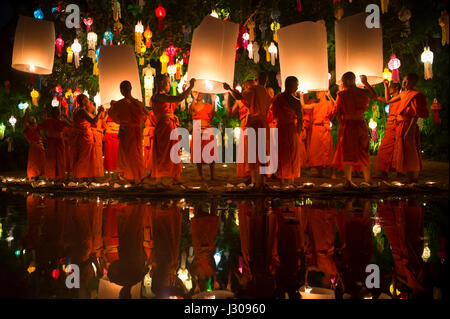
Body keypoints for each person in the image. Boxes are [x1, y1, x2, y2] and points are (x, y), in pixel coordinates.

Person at [224, 72, 273, 190]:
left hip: (255, 124)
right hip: (263, 124)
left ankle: (256, 182)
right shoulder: (267, 93)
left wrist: (230, 89)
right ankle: (262, 181)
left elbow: (241, 97)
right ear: (266, 82)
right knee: (263, 153)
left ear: (256, 80)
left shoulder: (254, 90)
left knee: (254, 154)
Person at [332, 73, 378, 188]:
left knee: (348, 151)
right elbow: (374, 95)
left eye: (343, 81)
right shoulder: (362, 92)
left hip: (348, 125)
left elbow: (337, 111)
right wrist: (365, 83)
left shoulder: (342, 94)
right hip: (360, 123)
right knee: (363, 150)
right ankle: (367, 180)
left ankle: (348, 180)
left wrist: (341, 122)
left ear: (346, 81)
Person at [151, 75, 195, 187]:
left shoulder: (165, 97)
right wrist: (190, 88)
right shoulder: (158, 97)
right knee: (162, 152)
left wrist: (185, 91)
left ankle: (175, 176)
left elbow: (176, 102)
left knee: (174, 151)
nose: (169, 85)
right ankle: (159, 179)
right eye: (167, 82)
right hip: (163, 127)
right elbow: (176, 99)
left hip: (170, 126)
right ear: (161, 83)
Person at [385, 73, 429, 183]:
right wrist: (386, 86)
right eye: (403, 80)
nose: (404, 83)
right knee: (403, 149)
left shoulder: (415, 95)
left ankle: (413, 176)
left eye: (407, 81)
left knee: (410, 150)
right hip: (400, 125)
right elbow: (388, 101)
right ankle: (409, 176)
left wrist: (409, 130)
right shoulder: (403, 94)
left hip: (408, 124)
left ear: (413, 82)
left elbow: (415, 114)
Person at [108, 81, 149, 184]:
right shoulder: (138, 103)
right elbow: (146, 114)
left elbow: (111, 114)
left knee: (129, 154)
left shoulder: (120, 104)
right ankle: (139, 175)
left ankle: (133, 177)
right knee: (136, 153)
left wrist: (122, 121)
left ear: (122, 91)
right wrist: (139, 121)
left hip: (126, 130)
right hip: (136, 130)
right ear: (131, 88)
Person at [271, 76, 303, 185]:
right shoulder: (296, 101)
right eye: (297, 85)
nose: (297, 87)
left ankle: (283, 181)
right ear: (290, 85)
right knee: (289, 155)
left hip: (281, 129)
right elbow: (300, 121)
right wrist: (297, 133)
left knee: (281, 154)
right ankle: (289, 181)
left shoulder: (277, 98)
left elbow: (274, 115)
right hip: (290, 129)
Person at [225, 80, 255, 183]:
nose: (250, 90)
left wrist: (230, 89)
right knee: (246, 151)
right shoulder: (239, 100)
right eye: (248, 87)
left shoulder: (253, 98)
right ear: (245, 88)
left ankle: (254, 174)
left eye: (252, 88)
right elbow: (230, 113)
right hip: (244, 126)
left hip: (254, 126)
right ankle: (248, 173)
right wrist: (226, 99)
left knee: (253, 151)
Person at [72, 94, 105, 180]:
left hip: (82, 136)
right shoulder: (82, 111)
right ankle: (82, 176)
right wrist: (99, 112)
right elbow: (93, 121)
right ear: (83, 101)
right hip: (85, 136)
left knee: (86, 156)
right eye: (87, 99)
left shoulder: (77, 110)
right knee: (85, 157)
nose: (89, 101)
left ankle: (85, 175)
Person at [374, 80, 402, 180]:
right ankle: (384, 171)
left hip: (397, 125)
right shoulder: (394, 99)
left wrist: (385, 86)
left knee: (397, 148)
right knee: (385, 148)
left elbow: (386, 100)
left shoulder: (401, 97)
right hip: (391, 125)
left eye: (390, 87)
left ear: (396, 89)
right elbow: (386, 100)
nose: (389, 89)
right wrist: (374, 92)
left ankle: (399, 170)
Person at [307, 91, 337, 178]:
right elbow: (304, 106)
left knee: (327, 149)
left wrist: (330, 95)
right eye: (316, 92)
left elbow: (335, 105)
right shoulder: (315, 104)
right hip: (316, 128)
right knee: (317, 150)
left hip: (324, 128)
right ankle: (320, 172)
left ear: (324, 93)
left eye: (319, 92)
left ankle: (332, 173)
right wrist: (301, 94)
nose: (317, 94)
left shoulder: (328, 103)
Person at [189, 91, 217, 181]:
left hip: (207, 130)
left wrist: (213, 101)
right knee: (198, 154)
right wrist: (194, 98)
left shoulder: (208, 106)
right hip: (197, 131)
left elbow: (212, 114)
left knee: (210, 153)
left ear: (204, 94)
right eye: (197, 93)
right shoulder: (193, 105)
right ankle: (200, 174)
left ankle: (212, 175)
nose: (199, 95)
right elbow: (191, 111)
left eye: (201, 93)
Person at [37, 107, 70, 181]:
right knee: (51, 160)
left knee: (60, 159)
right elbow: (38, 129)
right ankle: (51, 176)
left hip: (59, 142)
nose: (57, 113)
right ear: (52, 113)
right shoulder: (48, 121)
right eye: (55, 112)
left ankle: (60, 176)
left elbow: (73, 126)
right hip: (51, 142)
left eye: (58, 112)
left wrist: (67, 119)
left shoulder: (61, 122)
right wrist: (42, 137)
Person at [22, 108, 45, 180]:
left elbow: (44, 124)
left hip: (40, 146)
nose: (32, 119)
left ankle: (40, 175)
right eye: (30, 118)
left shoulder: (37, 127)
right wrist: (26, 113)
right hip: (33, 146)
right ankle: (34, 176)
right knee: (33, 163)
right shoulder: (28, 128)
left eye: (33, 118)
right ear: (29, 121)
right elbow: (23, 123)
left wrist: (44, 115)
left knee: (41, 161)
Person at [102, 113, 120, 179]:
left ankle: (118, 174)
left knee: (117, 155)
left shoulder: (119, 114)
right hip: (109, 135)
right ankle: (109, 175)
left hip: (117, 135)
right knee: (108, 155)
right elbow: (103, 122)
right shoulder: (108, 114)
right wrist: (107, 127)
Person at [143, 110, 157, 177]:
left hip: (152, 135)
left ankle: (153, 171)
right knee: (147, 153)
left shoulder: (153, 113)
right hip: (147, 135)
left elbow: (156, 122)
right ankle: (150, 171)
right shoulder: (149, 113)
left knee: (152, 153)